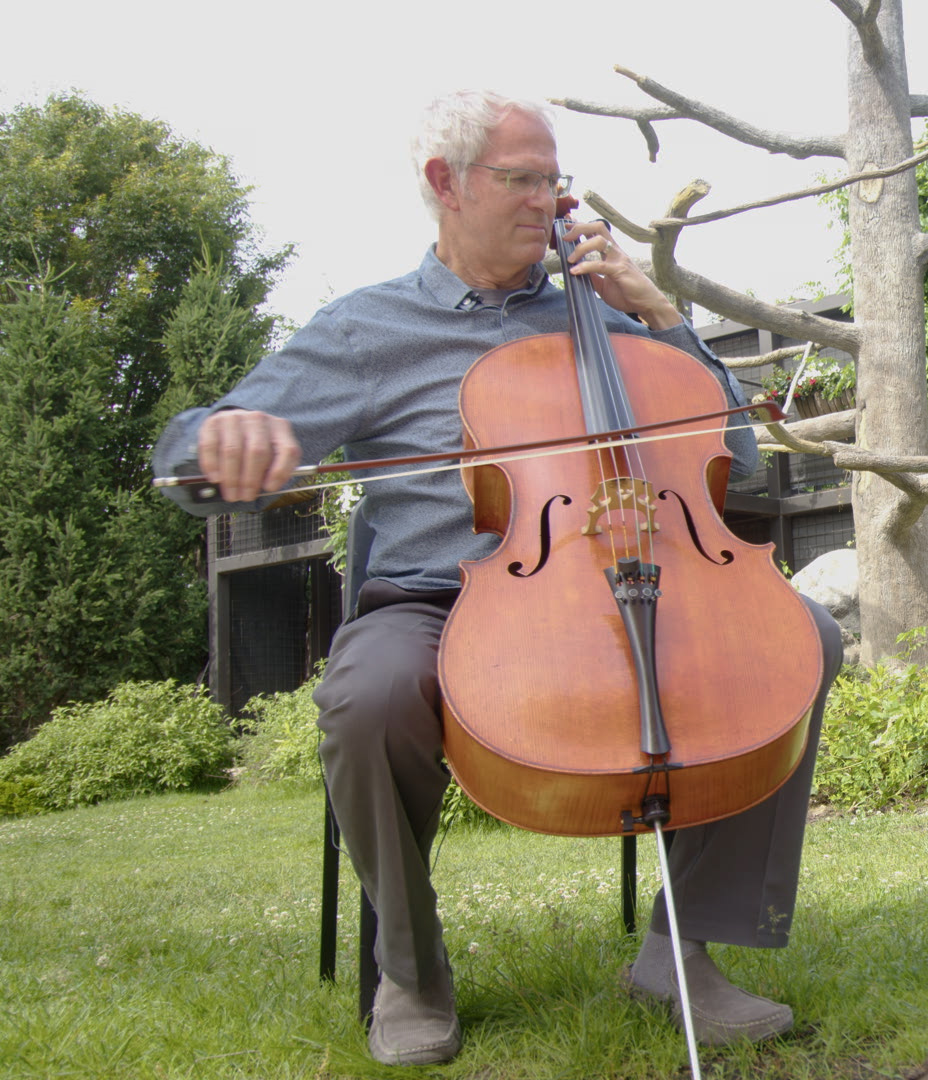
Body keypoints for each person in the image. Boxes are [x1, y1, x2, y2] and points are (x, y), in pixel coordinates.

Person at [153, 90, 842, 1067]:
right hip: (435, 603)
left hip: (620, 581)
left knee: (799, 641)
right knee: (370, 696)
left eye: (554, 180)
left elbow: (738, 457)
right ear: (446, 185)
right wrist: (219, 442)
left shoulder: (603, 317)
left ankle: (679, 949)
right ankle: (410, 967)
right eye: (523, 180)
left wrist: (661, 317)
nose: (549, 202)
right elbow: (189, 454)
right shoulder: (366, 330)